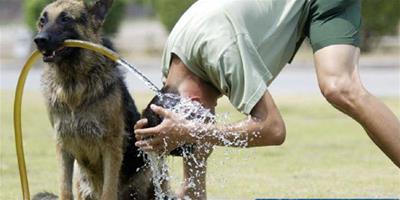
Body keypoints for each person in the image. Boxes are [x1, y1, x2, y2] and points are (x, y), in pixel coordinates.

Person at [134, 0, 400, 198]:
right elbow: (196, 169)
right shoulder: (174, 71)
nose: (209, 116)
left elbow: (273, 129)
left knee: (340, 86)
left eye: (198, 119)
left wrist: (190, 130)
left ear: (191, 101)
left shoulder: (221, 52)